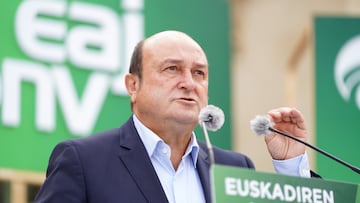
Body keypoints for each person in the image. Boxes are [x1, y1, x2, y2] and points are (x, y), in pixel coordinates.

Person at [34, 30, 315, 203]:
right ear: (133, 85)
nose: (188, 83)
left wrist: (291, 166)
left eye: (199, 73)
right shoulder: (83, 161)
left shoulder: (234, 167)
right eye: (172, 69)